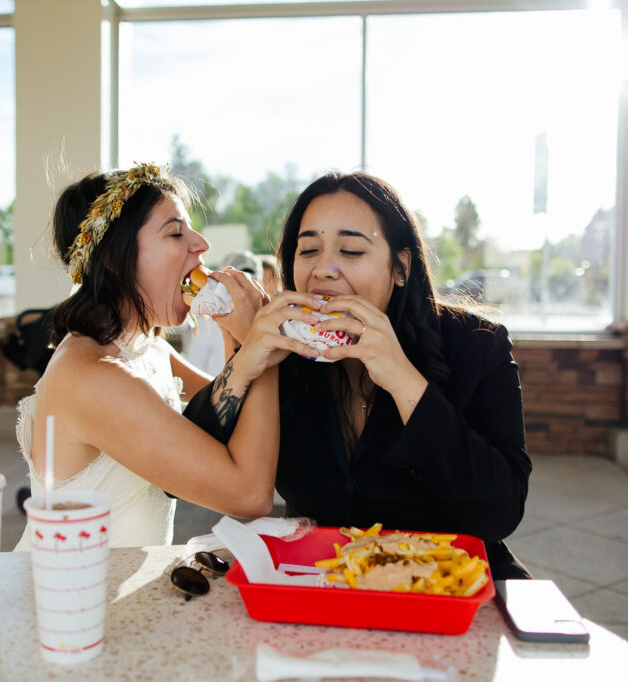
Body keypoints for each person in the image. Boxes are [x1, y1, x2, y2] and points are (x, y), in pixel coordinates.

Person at [186, 171, 532, 579]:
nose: (324, 270)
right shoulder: (284, 350)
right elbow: (183, 469)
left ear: (401, 267)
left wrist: (401, 377)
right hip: (326, 588)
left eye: (350, 250)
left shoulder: (475, 344)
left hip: (452, 591)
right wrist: (246, 360)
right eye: (308, 249)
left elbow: (499, 513)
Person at [13, 162, 322, 550]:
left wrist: (238, 335)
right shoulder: (91, 376)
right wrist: (258, 348)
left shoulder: (146, 345)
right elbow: (248, 495)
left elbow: (226, 417)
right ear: (113, 260)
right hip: (67, 596)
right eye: (176, 232)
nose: (200, 244)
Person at [179, 250, 263, 376]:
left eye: (247, 281)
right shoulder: (206, 324)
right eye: (235, 282)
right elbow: (194, 368)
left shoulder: (272, 322)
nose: (240, 291)